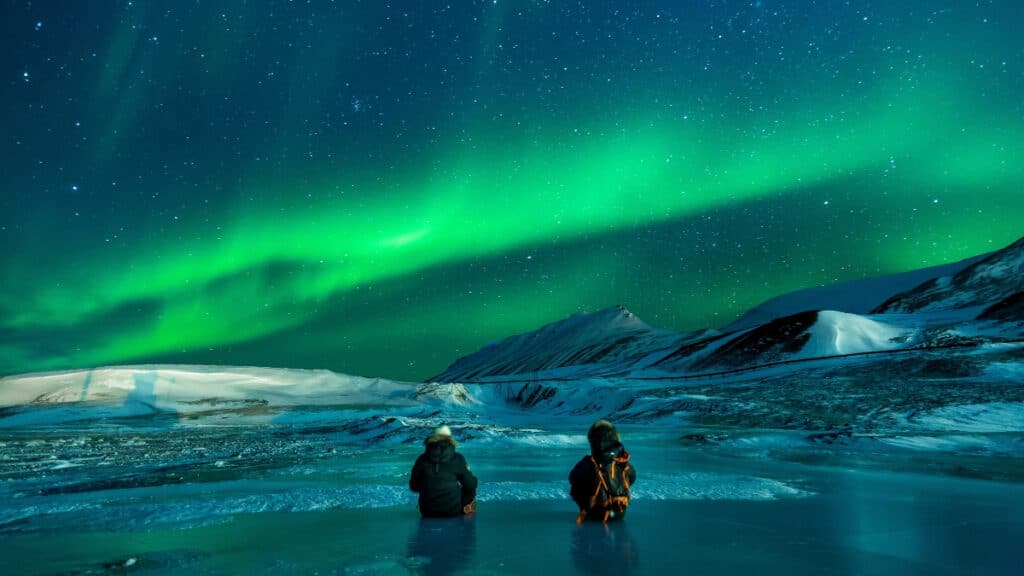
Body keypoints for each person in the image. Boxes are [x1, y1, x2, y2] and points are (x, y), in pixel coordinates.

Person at [569, 419, 636, 523]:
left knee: (577, 485)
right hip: (620, 512)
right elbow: (632, 476)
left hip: (595, 514)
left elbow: (573, 478)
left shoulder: (588, 463)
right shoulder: (623, 461)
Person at [410, 425, 478, 518]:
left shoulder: (422, 459)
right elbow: (470, 485)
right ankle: (465, 509)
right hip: (453, 511)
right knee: (468, 485)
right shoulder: (457, 458)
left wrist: (431, 485)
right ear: (450, 439)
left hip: (427, 511)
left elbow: (413, 486)